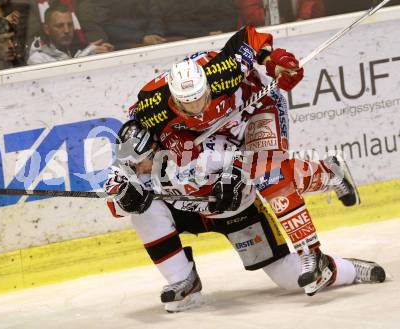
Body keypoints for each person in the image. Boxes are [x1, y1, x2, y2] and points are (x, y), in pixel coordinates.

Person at [128, 24, 362, 296]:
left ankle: (311, 253)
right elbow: (134, 128)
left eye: (200, 100)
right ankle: (327, 173)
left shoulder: (222, 70)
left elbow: (249, 36)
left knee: (267, 172)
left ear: (207, 86)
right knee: (229, 173)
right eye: (187, 106)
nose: (197, 109)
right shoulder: (153, 105)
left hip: (257, 108)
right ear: (173, 101)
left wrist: (272, 61)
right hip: (212, 133)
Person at [104, 120, 386, 312]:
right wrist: (124, 199)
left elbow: (268, 167)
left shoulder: (200, 151)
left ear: (155, 149)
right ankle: (184, 282)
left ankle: (347, 265)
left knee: (289, 277)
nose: (136, 170)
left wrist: (235, 179)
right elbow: (117, 209)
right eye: (129, 164)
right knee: (143, 210)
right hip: (189, 212)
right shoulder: (130, 165)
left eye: (138, 163)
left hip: (238, 212)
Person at [27, 2, 112, 65]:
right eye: (59, 26)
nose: (67, 30)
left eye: (70, 24)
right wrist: (86, 55)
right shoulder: (36, 59)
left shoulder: (73, 50)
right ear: (47, 29)